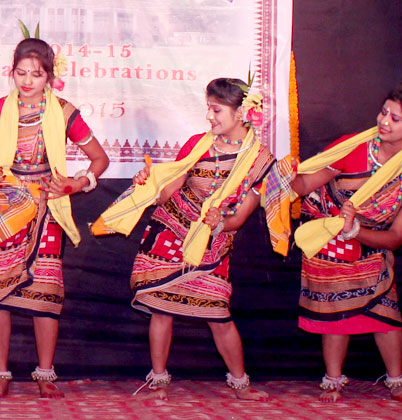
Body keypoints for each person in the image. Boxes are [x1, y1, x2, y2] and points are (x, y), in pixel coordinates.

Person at [102, 78, 279, 400]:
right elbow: (168, 191)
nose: (209, 116)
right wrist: (149, 184)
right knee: (161, 308)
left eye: (216, 110)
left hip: (213, 240)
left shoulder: (260, 161)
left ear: (241, 112)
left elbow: (240, 217)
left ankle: (241, 384)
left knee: (218, 314)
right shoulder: (198, 144)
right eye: (208, 108)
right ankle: (158, 381)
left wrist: (220, 223)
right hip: (171, 229)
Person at [0, 34, 109, 399]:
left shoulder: (63, 112)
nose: (28, 81)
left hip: (46, 205)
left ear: (49, 76)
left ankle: (45, 373)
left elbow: (100, 159)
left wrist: (75, 184)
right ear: (11, 72)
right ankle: (0, 373)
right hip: (1, 205)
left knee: (45, 290)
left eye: (36, 74)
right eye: (21, 73)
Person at [283, 83, 402, 402]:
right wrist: (284, 175)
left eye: (395, 118)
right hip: (330, 236)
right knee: (336, 312)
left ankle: (397, 381)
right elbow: (305, 185)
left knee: (385, 312)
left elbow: (396, 238)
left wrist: (357, 231)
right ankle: (333, 381)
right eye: (383, 112)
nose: (384, 121)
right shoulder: (352, 147)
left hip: (374, 241)